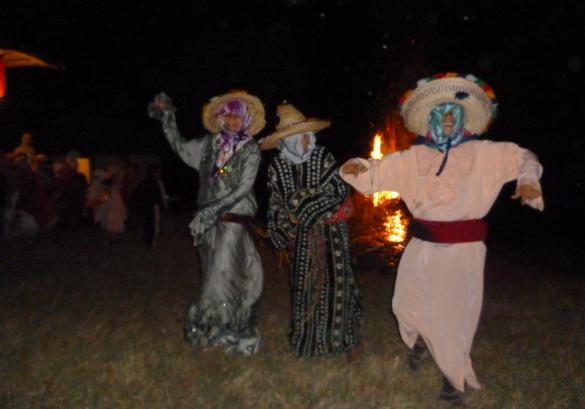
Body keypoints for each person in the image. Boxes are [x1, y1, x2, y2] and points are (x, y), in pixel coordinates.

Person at [340, 73, 544, 404]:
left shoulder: (484, 153)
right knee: (404, 305)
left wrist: (528, 179)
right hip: (421, 247)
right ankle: (422, 339)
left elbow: (523, 157)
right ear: (432, 119)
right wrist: (358, 168)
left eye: (454, 114)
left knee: (454, 317)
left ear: (462, 119)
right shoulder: (414, 157)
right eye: (441, 114)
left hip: (462, 251)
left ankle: (454, 381)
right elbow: (379, 171)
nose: (448, 119)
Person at [148, 90, 265, 355]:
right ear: (220, 118)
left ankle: (225, 328)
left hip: (233, 219)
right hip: (207, 222)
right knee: (214, 270)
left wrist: (211, 212)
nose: (233, 120)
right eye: (228, 115)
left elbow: (244, 187)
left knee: (220, 273)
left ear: (245, 118)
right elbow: (179, 145)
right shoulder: (207, 146)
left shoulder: (250, 149)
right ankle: (220, 329)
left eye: (238, 115)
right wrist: (168, 117)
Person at [260, 104, 361, 360]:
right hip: (302, 239)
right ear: (287, 141)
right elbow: (276, 207)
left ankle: (345, 341)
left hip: (333, 235)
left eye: (307, 135)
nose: (306, 140)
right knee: (305, 287)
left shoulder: (323, 157)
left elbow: (338, 192)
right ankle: (309, 343)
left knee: (340, 284)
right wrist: (285, 228)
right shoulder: (277, 169)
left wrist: (301, 204)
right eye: (299, 136)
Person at [134, 163, 168, 247]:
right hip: (153, 205)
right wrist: (165, 205)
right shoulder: (157, 182)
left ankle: (146, 239)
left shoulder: (143, 181)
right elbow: (162, 194)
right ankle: (152, 241)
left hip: (144, 204)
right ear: (157, 172)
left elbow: (137, 193)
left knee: (146, 221)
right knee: (154, 223)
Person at [55, 150, 88, 229]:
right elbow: (63, 184)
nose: (77, 165)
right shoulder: (66, 171)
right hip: (69, 199)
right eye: (74, 161)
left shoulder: (79, 176)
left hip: (74, 199)